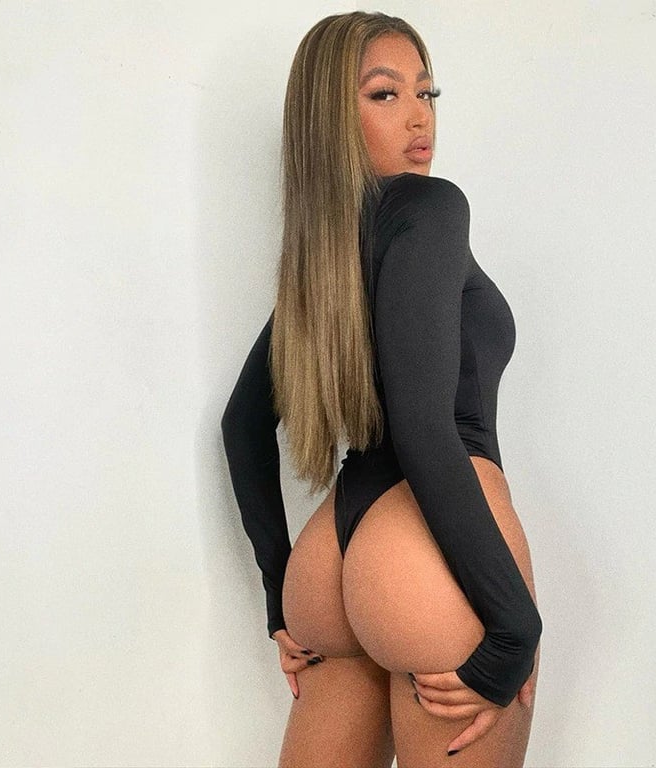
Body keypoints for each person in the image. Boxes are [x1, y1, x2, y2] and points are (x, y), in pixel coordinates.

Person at [221, 10, 542, 766]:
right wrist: (513, 629)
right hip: (427, 558)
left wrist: (280, 593)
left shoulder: (326, 258)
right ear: (331, 117)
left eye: (427, 93)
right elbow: (426, 426)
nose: (419, 117)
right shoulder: (431, 209)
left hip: (329, 565)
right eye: (385, 94)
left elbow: (242, 423)